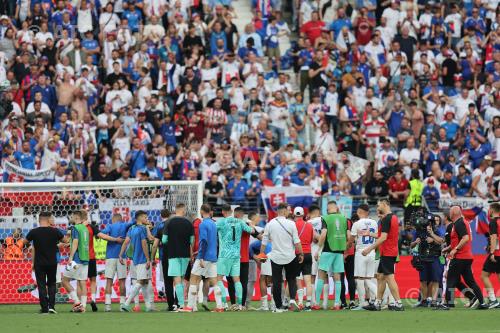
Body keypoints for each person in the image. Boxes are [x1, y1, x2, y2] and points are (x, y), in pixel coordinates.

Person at [437, 206, 488, 310]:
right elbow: (460, 240)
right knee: (470, 281)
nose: (449, 214)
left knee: (450, 280)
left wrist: (455, 249)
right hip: (467, 256)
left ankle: (448, 304)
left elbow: (465, 238)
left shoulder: (458, 223)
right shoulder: (462, 222)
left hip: (460, 257)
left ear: (453, 213)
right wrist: (447, 248)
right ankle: (482, 303)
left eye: (450, 212)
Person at [260, 203, 304, 312]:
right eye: (288, 211)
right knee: (291, 279)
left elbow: (264, 241)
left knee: (276, 281)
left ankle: (278, 306)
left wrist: (262, 254)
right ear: (284, 212)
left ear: (277, 211)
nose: (289, 212)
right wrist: (301, 253)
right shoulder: (291, 223)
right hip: (290, 256)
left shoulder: (270, 224)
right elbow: (297, 241)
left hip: (276, 257)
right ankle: (292, 299)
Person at [362, 200, 404, 311]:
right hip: (390, 251)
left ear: (385, 205)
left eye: (379, 204)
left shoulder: (386, 219)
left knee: (389, 278)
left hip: (387, 252)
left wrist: (369, 249)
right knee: (380, 277)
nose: (377, 207)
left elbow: (383, 237)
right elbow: (383, 235)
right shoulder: (393, 218)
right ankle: (378, 303)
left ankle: (398, 303)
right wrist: (370, 233)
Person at [24, 211, 68, 314]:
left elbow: (24, 242)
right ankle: (52, 307)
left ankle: (44, 308)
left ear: (39, 220)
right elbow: (66, 241)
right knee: (52, 284)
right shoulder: (55, 231)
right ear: (48, 220)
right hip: (52, 262)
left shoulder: (33, 232)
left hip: (39, 263)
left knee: (41, 285)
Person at [216, 205, 253, 311]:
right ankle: (240, 305)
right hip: (236, 255)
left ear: (223, 212)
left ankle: (224, 303)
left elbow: (211, 230)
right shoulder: (240, 222)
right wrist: (250, 223)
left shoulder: (221, 222)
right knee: (237, 280)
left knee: (219, 279)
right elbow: (250, 230)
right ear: (231, 211)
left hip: (224, 255)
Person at [313, 201, 350, 310]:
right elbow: (349, 236)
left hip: (328, 250)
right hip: (339, 251)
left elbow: (323, 234)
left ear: (328, 209)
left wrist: (318, 249)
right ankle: (337, 304)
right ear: (336, 208)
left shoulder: (325, 218)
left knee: (321, 275)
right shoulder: (344, 218)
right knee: (337, 277)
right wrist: (346, 247)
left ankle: (317, 303)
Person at [186, 204, 220, 312]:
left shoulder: (203, 224)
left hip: (204, 257)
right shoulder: (214, 224)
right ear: (210, 211)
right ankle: (219, 306)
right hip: (213, 256)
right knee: (214, 281)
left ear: (201, 211)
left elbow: (204, 241)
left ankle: (190, 306)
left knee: (193, 278)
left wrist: (200, 256)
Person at [162, 203, 194, 312]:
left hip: (173, 254)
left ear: (175, 210)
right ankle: (181, 304)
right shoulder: (189, 223)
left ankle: (180, 305)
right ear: (184, 211)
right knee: (181, 278)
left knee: (177, 280)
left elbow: (164, 240)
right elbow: (191, 241)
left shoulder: (168, 222)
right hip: (185, 255)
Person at [119, 210, 154, 312]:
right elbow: (144, 243)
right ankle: (126, 304)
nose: (147, 219)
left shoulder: (132, 228)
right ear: (140, 218)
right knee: (141, 281)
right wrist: (148, 258)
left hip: (134, 259)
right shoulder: (142, 229)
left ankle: (148, 306)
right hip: (142, 258)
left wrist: (121, 255)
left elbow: (126, 242)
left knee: (145, 281)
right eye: (145, 218)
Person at [100, 213, 134, 312]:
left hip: (110, 257)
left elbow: (102, 234)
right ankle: (122, 305)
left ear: (113, 219)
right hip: (121, 257)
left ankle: (107, 305)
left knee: (109, 281)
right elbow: (135, 222)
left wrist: (113, 239)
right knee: (122, 281)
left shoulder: (110, 226)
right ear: (121, 219)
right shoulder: (125, 225)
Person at [350, 204, 378, 310]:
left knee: (360, 279)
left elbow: (351, 239)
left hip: (361, 252)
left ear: (360, 211)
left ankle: (362, 303)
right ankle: (376, 300)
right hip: (371, 252)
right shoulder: (374, 222)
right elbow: (377, 236)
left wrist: (348, 246)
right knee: (369, 279)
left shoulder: (357, 224)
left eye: (358, 211)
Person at [61, 211, 90, 313]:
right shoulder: (85, 229)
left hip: (76, 259)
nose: (71, 217)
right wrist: (69, 243)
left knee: (64, 280)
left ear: (77, 217)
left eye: (72, 216)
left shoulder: (75, 228)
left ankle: (77, 302)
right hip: (85, 259)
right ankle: (84, 306)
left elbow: (76, 242)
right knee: (82, 282)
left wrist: (70, 257)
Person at [293, 206, 314, 310]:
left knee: (297, 279)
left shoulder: (292, 225)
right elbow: (311, 239)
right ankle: (308, 303)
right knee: (308, 280)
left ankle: (300, 302)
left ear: (294, 214)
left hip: (297, 253)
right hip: (308, 253)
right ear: (303, 214)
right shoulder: (309, 225)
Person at [481, 202, 500, 308]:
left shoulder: (493, 222)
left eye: (489, 209)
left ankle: (493, 300)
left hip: (496, 253)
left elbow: (494, 237)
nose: (488, 211)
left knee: (484, 275)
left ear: (492, 210)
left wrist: (491, 252)